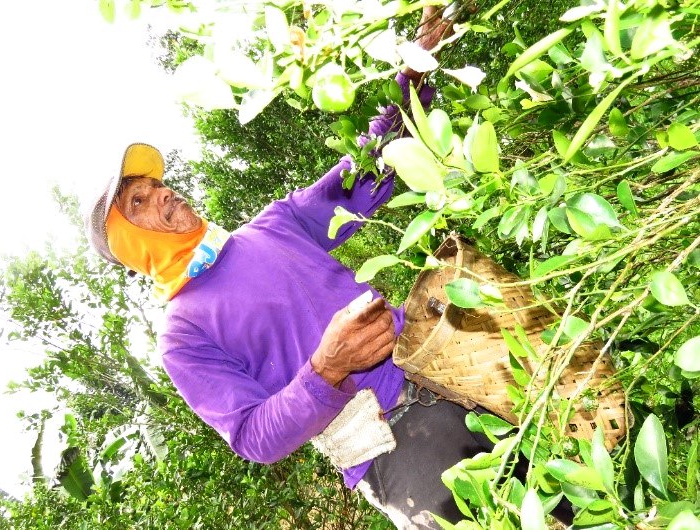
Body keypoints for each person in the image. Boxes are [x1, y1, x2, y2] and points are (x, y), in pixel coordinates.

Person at [85, 9, 571, 530]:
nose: (163, 191)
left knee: (581, 507)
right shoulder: (182, 334)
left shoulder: (271, 227)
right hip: (396, 449)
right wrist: (326, 369)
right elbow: (253, 436)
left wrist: (414, 75)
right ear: (130, 244)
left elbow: (364, 174)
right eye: (140, 200)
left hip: (462, 377)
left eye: (157, 184)